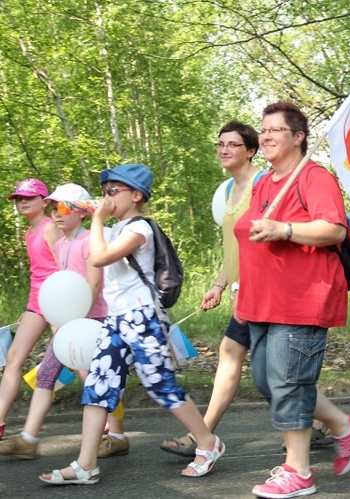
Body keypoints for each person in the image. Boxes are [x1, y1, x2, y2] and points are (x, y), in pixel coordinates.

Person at [40, 164, 224, 485]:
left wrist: (96, 219)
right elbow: (79, 244)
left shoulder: (141, 229)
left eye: (113, 191)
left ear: (136, 195)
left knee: (160, 384)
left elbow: (98, 258)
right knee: (98, 386)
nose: (106, 198)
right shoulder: (113, 230)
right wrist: (83, 213)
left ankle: (208, 443)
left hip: (143, 317)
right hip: (115, 320)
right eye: (104, 192)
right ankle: (86, 464)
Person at [234, 102, 350, 498]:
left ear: (298, 137)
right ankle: (344, 426)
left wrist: (284, 228)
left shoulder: (314, 177)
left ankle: (299, 472)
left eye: (276, 129)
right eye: (264, 129)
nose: (267, 135)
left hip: (302, 298)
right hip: (261, 300)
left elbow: (334, 230)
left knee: (289, 383)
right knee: (266, 380)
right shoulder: (264, 183)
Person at [0, 184, 129, 459]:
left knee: (103, 380)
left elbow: (93, 285)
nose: (56, 214)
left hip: (96, 321)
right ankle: (28, 440)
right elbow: (61, 283)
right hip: (71, 321)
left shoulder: (88, 242)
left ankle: (117, 436)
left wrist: (74, 319)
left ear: (81, 212)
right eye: (54, 207)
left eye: (62, 208)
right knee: (45, 376)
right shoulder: (60, 243)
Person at [160, 120, 265, 457]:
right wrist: (220, 285)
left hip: (263, 290)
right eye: (220, 144)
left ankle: (202, 436)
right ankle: (329, 424)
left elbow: (264, 246)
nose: (224, 150)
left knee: (260, 365)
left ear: (251, 150)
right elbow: (234, 248)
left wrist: (246, 286)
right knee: (250, 362)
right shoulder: (229, 191)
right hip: (242, 289)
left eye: (233, 144)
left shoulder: (263, 186)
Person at [0, 179, 60, 441]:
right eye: (18, 199)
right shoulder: (29, 231)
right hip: (36, 305)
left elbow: (65, 266)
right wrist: (29, 308)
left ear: (44, 202)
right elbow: (38, 274)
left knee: (80, 363)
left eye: (29, 197)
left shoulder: (50, 228)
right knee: (13, 359)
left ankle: (112, 424)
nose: (22, 202)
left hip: (59, 302)